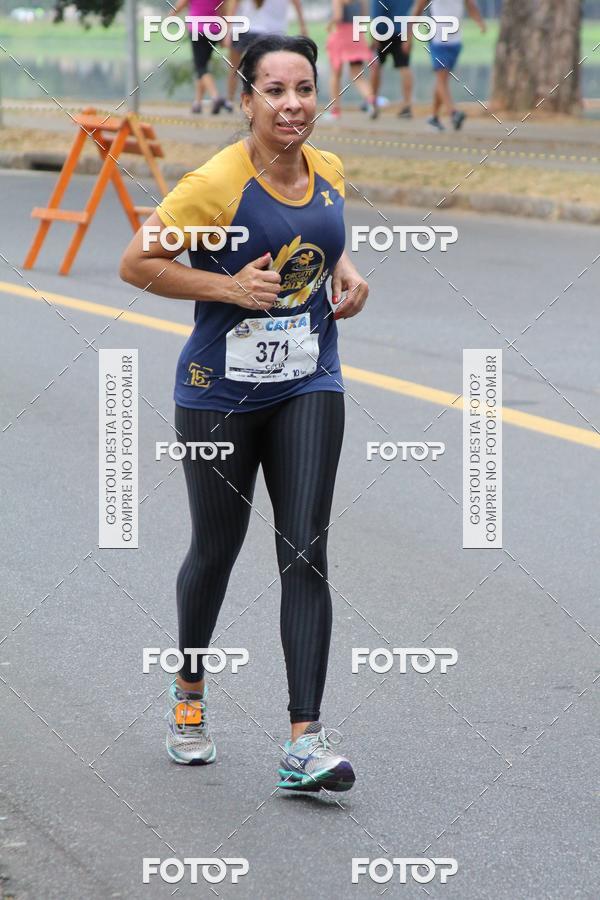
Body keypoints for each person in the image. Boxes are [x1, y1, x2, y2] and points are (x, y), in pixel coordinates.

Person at [119, 35, 369, 792]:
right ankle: (189, 697)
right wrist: (230, 290)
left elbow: (324, 245)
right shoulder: (214, 184)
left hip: (308, 382)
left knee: (304, 551)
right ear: (246, 98)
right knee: (215, 552)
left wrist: (350, 277)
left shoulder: (327, 169)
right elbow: (137, 262)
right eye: (274, 90)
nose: (291, 104)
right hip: (217, 394)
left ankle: (304, 741)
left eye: (303, 88)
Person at [413, 0, 486, 131]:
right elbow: (418, 7)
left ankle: (434, 118)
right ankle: (453, 112)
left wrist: (479, 21)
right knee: (441, 78)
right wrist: (408, 34)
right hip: (438, 40)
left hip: (455, 41)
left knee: (443, 79)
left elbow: (470, 5)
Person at [225, 0, 308, 107]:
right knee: (264, 71)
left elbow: (233, 5)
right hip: (263, 31)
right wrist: (302, 26)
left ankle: (231, 101)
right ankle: (259, 101)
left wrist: (227, 31)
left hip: (246, 29)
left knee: (235, 68)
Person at [173, 0, 232, 114]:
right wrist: (224, 33)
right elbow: (222, 11)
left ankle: (215, 97)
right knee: (203, 66)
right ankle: (197, 103)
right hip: (214, 30)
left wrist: (170, 16)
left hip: (197, 30)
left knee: (201, 67)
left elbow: (179, 6)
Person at [325, 0, 374, 120]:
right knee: (358, 75)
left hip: (341, 36)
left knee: (336, 75)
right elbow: (364, 16)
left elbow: (337, 17)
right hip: (357, 36)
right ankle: (371, 101)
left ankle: (335, 111)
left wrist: (329, 26)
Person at [369, 0, 414, 119]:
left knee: (376, 67)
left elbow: (376, 13)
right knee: (404, 67)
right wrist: (410, 36)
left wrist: (373, 36)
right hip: (402, 31)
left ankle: (373, 104)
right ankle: (407, 105)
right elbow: (413, 12)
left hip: (382, 31)